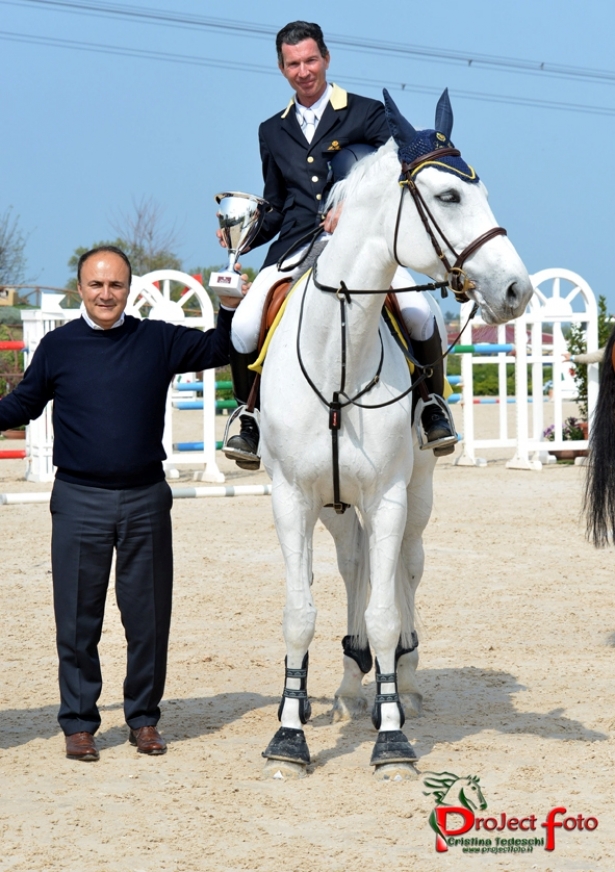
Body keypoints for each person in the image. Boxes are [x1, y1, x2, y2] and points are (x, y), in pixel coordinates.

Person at [0, 246, 241, 761]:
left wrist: (228, 303)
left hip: (146, 499)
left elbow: (221, 348)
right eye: (95, 285)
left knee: (149, 620)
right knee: (77, 620)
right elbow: (23, 403)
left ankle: (144, 720)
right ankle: (80, 723)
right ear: (81, 289)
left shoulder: (157, 340)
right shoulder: (58, 346)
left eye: (114, 285)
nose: (105, 294)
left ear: (128, 290)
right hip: (78, 500)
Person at [221, 20, 456, 469]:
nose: (303, 71)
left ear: (326, 59)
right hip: (294, 246)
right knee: (245, 325)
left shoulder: (367, 113)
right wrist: (244, 230)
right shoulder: (271, 130)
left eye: (311, 60)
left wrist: (353, 203)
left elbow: (394, 175)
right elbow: (277, 201)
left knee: (419, 313)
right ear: (281, 68)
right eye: (293, 64)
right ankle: (248, 417)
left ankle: (431, 407)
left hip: (362, 243)